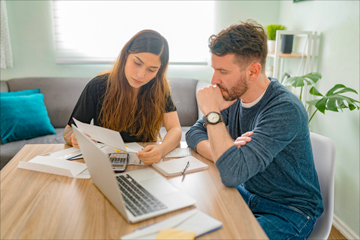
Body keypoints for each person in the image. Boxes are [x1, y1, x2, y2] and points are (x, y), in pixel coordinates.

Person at [185, 20, 324, 239]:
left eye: (223, 71)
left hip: (288, 211)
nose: (214, 80)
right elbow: (193, 133)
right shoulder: (235, 98)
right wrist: (225, 154)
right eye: (214, 70)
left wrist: (213, 114)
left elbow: (231, 173)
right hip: (248, 193)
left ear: (253, 71)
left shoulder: (284, 108)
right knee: (190, 218)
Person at [64, 30, 182, 164]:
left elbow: (175, 129)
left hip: (144, 162)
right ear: (126, 56)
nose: (140, 75)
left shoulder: (160, 89)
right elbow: (68, 131)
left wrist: (161, 150)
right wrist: (74, 138)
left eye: (151, 70)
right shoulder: (98, 86)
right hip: (105, 162)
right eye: (137, 63)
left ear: (159, 70)